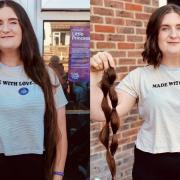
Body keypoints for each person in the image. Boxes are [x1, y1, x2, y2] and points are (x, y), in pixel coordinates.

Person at [90, 4, 180, 180]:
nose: (174, 35)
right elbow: (101, 114)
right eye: (165, 28)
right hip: (151, 163)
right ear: (155, 34)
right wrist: (94, 77)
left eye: (179, 27)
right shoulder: (139, 76)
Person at [0, 1, 67, 180]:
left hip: (36, 168)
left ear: (24, 27)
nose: (5, 28)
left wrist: (58, 175)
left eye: (13, 21)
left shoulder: (46, 75)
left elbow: (60, 134)